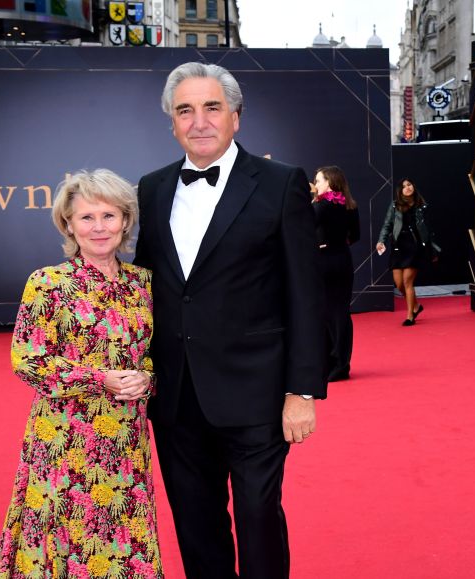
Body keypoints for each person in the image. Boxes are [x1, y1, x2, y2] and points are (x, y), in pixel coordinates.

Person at [133, 62, 325, 579]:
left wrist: (302, 390)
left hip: (256, 391)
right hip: (175, 394)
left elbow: (306, 294)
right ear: (172, 123)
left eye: (212, 107)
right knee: (196, 525)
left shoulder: (281, 183)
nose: (199, 121)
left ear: (236, 117)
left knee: (258, 518)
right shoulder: (150, 190)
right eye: (185, 111)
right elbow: (145, 288)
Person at [0, 170, 162, 578]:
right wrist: (99, 378)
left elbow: (158, 356)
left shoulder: (144, 284)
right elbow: (29, 360)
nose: (99, 227)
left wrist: (148, 380)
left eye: (109, 216)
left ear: (125, 222)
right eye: (86, 218)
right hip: (66, 437)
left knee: (123, 535)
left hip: (125, 438)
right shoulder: (49, 283)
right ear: (68, 224)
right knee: (65, 531)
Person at [313, 165, 360, 381]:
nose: (316, 185)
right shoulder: (350, 205)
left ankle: (333, 363)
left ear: (330, 182)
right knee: (340, 312)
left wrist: (322, 243)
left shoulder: (321, 206)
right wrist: (336, 242)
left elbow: (303, 227)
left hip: (324, 263)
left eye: (319, 180)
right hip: (343, 259)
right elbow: (355, 236)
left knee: (325, 313)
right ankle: (341, 363)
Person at [376, 178, 440, 326]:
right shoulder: (394, 205)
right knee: (399, 284)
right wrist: (381, 241)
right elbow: (387, 225)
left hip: (415, 247)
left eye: (409, 184)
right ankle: (416, 306)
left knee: (407, 282)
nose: (407, 187)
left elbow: (428, 231)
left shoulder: (422, 206)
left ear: (414, 186)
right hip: (398, 246)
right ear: (400, 191)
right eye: (404, 186)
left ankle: (410, 315)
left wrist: (432, 251)